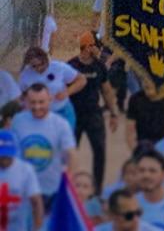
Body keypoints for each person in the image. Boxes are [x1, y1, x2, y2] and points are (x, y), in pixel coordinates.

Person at [68, 32, 118, 197]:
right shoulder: (71, 66)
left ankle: (96, 192)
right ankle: (68, 188)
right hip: (74, 116)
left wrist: (113, 114)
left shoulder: (99, 66)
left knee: (99, 151)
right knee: (69, 153)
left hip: (93, 114)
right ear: (88, 47)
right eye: (96, 45)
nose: (99, 49)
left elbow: (107, 91)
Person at [11, 82, 75, 206]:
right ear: (26, 101)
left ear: (50, 100)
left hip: (52, 190)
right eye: (33, 102)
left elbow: (71, 154)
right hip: (24, 190)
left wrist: (68, 183)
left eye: (41, 102)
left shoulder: (61, 124)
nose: (37, 107)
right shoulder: (18, 121)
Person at [0, 128, 42, 231]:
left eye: (7, 155)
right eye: (2, 156)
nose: (4, 158)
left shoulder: (25, 170)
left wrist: (36, 228)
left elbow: (36, 201)